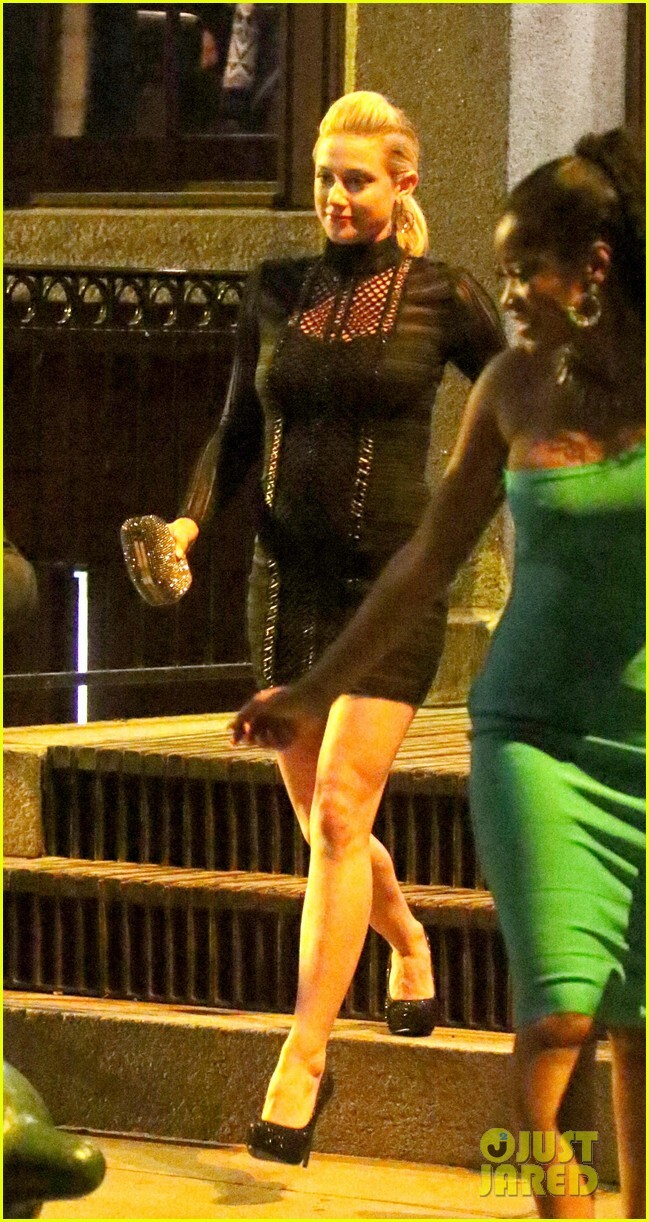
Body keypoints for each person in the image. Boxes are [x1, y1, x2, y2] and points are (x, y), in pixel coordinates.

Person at [231, 129, 645, 1216]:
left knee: (636, 1029)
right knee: (557, 1018)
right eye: (498, 270)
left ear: (593, 270)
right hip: (531, 735)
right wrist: (310, 689)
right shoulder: (512, 387)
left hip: (642, 733)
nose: (504, 294)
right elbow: (428, 558)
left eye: (523, 270)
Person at [168, 90, 504, 1159]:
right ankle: (407, 938)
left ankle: (302, 1061)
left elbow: (518, 407)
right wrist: (186, 525)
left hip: (390, 587)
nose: (335, 196)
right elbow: (235, 428)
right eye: (324, 177)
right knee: (325, 826)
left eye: (356, 179)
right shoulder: (276, 287)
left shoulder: (446, 295)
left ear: (403, 184)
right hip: (283, 587)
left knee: (344, 811)